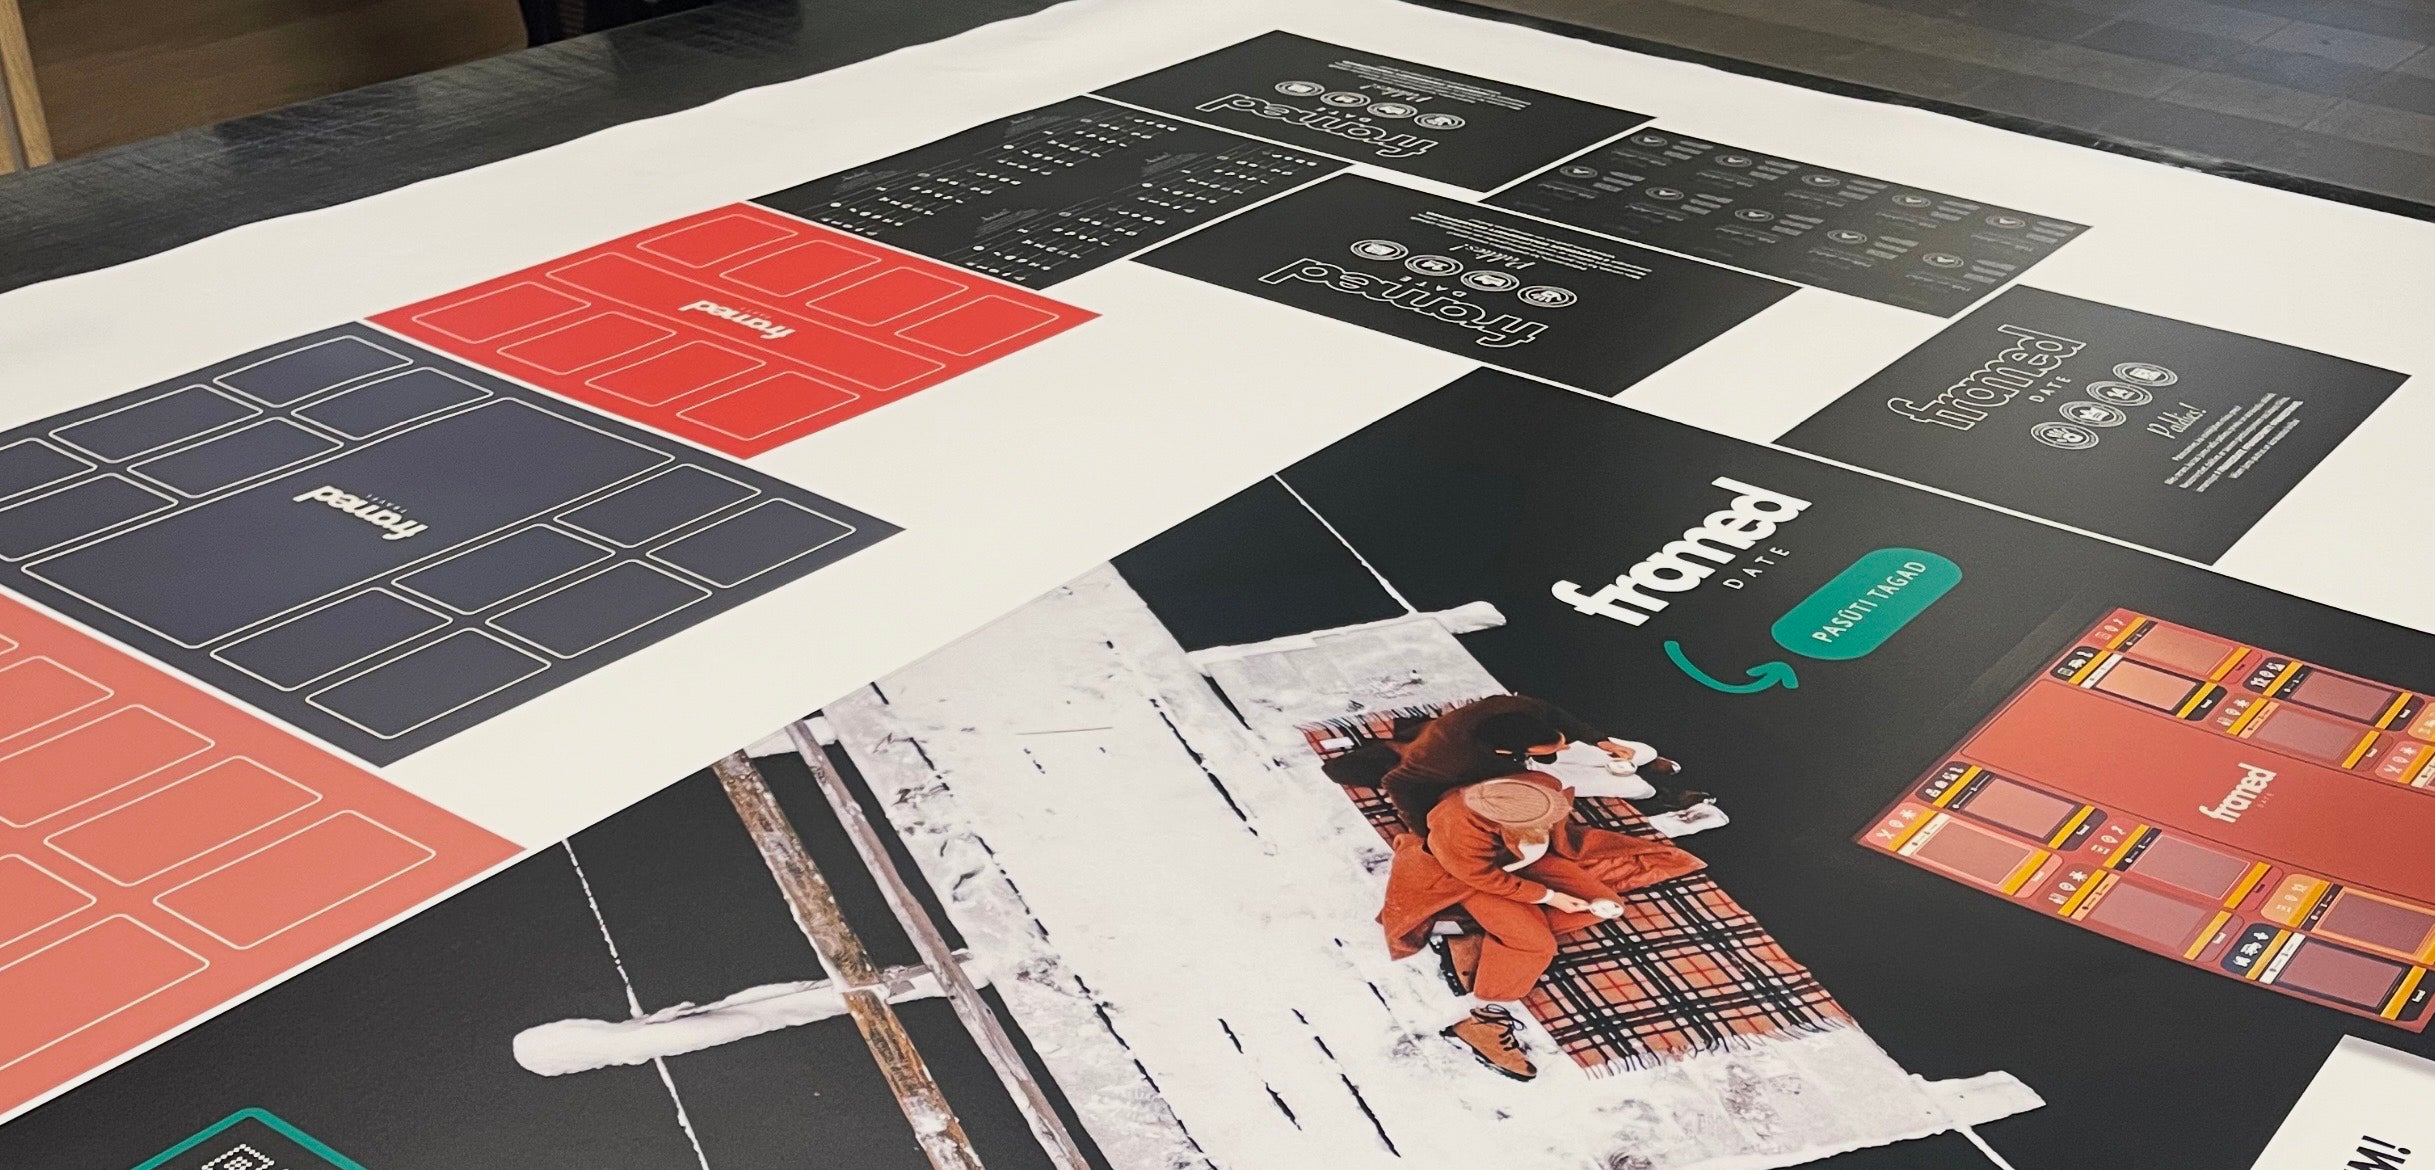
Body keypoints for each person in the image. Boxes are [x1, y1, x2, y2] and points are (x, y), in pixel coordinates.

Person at [1376, 773, 1706, 1080]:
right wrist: (1549, 896)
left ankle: (1488, 935)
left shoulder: (1539, 787)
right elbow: (1484, 878)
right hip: (1463, 882)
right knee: (1537, 945)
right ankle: (1484, 1021)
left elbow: (1549, 829)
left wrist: (1553, 890)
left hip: (1518, 864)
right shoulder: (1459, 828)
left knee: (1602, 903)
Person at [1377, 694, 1707, 833]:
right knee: (1635, 786)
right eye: (1554, 746)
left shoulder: (1512, 707)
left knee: (1641, 752)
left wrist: (1603, 743)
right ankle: (1658, 796)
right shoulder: (1444, 758)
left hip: (1526, 750)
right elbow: (1396, 783)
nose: (1564, 746)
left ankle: (1644, 763)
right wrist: (1422, 833)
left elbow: (1554, 716)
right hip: (1520, 770)